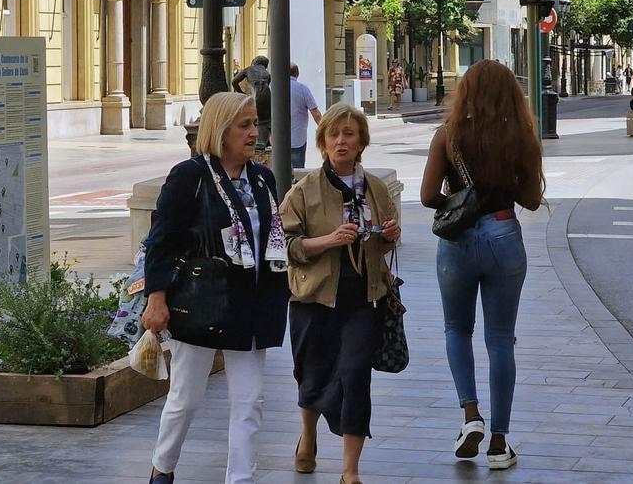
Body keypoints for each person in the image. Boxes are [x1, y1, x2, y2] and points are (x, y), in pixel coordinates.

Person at [142, 92, 291, 484]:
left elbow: (272, 237)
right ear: (221, 130)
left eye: (255, 123)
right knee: (186, 399)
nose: (254, 133)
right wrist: (156, 298)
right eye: (245, 125)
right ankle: (163, 469)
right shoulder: (190, 176)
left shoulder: (263, 178)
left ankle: (240, 479)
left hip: (253, 304)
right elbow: (161, 240)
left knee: (250, 402)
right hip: (202, 302)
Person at [419, 60, 544, 471]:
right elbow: (530, 199)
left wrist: (460, 203)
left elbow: (426, 197)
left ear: (466, 92)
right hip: (504, 234)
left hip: (457, 242)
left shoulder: (448, 135)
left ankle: (470, 415)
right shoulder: (521, 137)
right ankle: (499, 443)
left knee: (457, 328)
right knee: (501, 339)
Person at [280, 103, 402, 484]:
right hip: (315, 299)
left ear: (362, 141)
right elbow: (284, 246)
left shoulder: (376, 189)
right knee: (312, 375)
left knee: (354, 377)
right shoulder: (305, 190)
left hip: (363, 300)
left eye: (349, 134)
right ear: (322, 142)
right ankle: (309, 436)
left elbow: (381, 246)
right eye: (334, 134)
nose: (341, 141)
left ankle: (350, 471)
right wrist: (327, 241)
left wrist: (388, 238)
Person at [232, 56, 272, 146]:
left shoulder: (248, 69)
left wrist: (241, 93)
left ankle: (260, 143)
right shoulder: (266, 73)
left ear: (254, 62)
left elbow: (234, 81)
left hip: (256, 95)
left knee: (259, 120)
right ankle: (267, 141)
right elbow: (267, 85)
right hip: (267, 96)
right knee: (267, 118)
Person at [289, 64, 322, 169]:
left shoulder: (273, 88)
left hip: (277, 138)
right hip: (297, 138)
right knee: (297, 170)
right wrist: (324, 129)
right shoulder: (302, 89)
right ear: (297, 74)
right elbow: (315, 113)